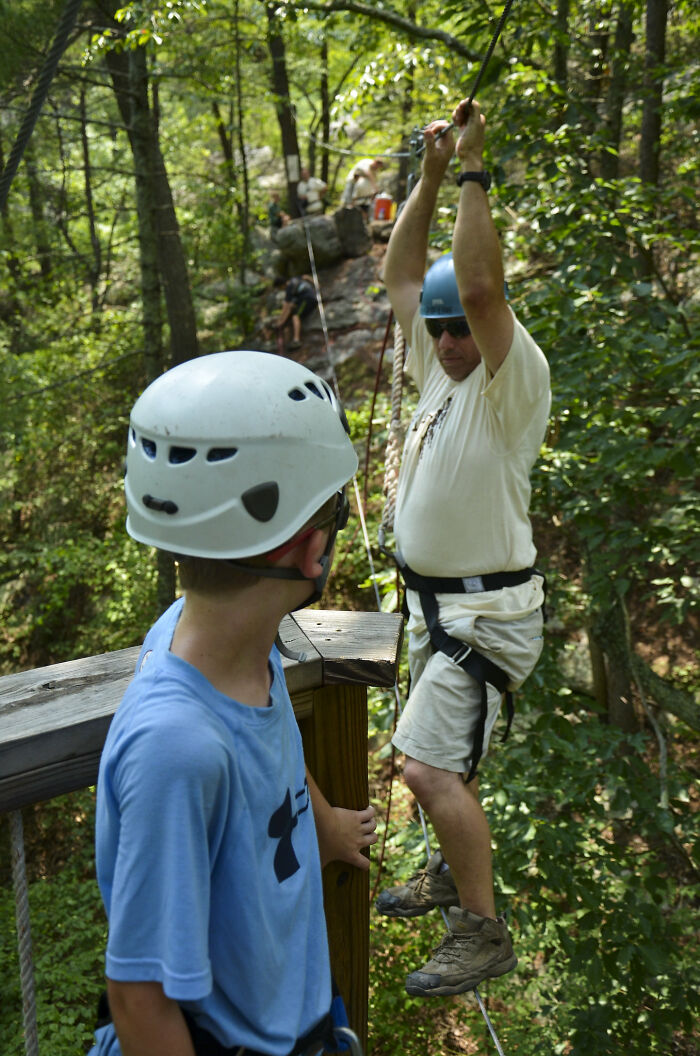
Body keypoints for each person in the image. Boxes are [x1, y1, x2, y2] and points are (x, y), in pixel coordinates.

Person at [88, 350, 377, 1055]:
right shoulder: (176, 749)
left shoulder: (233, 642)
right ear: (312, 550)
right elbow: (139, 1000)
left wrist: (323, 822)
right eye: (335, 509)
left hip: (304, 1022)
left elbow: (267, 742)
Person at [375, 99, 551, 998]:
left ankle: (481, 930)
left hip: (485, 610)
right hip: (443, 607)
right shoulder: (437, 369)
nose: (444, 339)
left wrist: (476, 166)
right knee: (425, 753)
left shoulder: (504, 380)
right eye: (435, 329)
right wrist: (431, 174)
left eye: (455, 330)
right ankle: (452, 870)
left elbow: (478, 292)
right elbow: (406, 275)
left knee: (425, 765)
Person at [274, 274, 318, 350]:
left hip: (307, 299)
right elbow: (306, 277)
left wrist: (280, 322)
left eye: (279, 288)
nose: (281, 290)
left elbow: (286, 307)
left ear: (281, 285)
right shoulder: (294, 279)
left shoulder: (289, 289)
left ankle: (296, 340)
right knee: (294, 308)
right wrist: (317, 284)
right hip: (310, 296)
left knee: (295, 316)